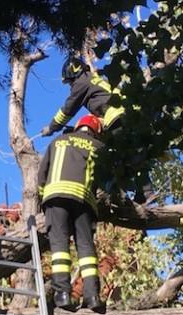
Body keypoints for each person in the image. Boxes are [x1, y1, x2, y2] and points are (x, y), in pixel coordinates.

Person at [41, 57, 153, 204]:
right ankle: (144, 192)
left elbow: (68, 109)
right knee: (132, 155)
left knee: (114, 159)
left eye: (69, 82)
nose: (70, 86)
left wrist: (51, 127)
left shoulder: (82, 82)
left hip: (118, 117)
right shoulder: (94, 80)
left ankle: (120, 197)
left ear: (73, 73)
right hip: (131, 115)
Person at [38, 114, 106, 313]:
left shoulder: (58, 141)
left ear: (77, 126)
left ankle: (63, 294)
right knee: (86, 250)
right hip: (84, 201)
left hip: (56, 198)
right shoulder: (98, 147)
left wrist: (44, 199)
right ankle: (92, 296)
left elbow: (41, 176)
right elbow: (104, 182)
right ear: (96, 131)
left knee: (59, 247)